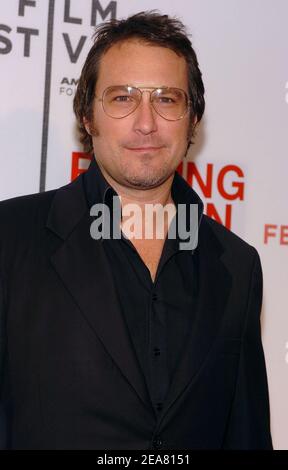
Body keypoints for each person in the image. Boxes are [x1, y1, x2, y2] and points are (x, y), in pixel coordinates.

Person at [0, 11, 272, 450]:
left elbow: (246, 433)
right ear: (88, 117)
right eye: (123, 98)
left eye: (167, 99)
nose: (146, 123)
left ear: (192, 120)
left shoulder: (237, 266)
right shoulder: (11, 240)